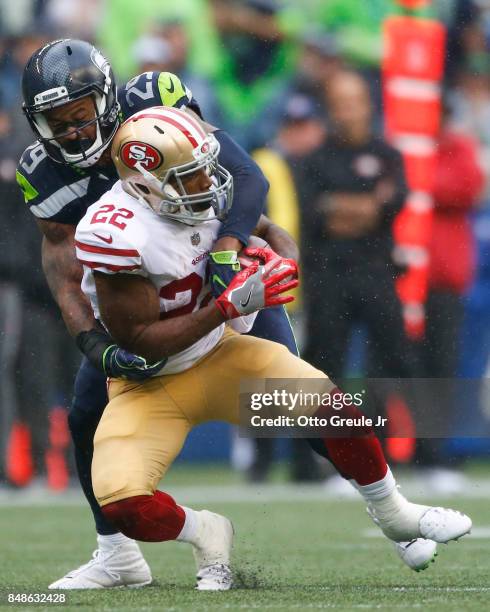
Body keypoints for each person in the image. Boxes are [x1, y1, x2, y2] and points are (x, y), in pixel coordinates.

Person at [75, 106, 472, 591]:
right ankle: (206, 531)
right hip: (150, 385)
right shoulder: (116, 233)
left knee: (331, 407)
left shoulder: (196, 191)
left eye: (204, 167)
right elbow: (139, 339)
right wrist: (227, 306)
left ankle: (395, 516)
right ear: (146, 185)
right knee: (123, 504)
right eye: (190, 176)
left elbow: (269, 231)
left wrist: (278, 264)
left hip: (222, 357)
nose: (207, 181)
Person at [16, 38, 297, 589]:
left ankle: (393, 511)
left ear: (104, 99)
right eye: (55, 121)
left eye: (78, 115)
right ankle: (117, 556)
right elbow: (61, 265)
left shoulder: (154, 102)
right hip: (142, 306)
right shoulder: (43, 171)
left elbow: (248, 178)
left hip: (218, 277)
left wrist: (230, 249)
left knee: (296, 400)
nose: (71, 130)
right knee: (83, 417)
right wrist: (93, 343)